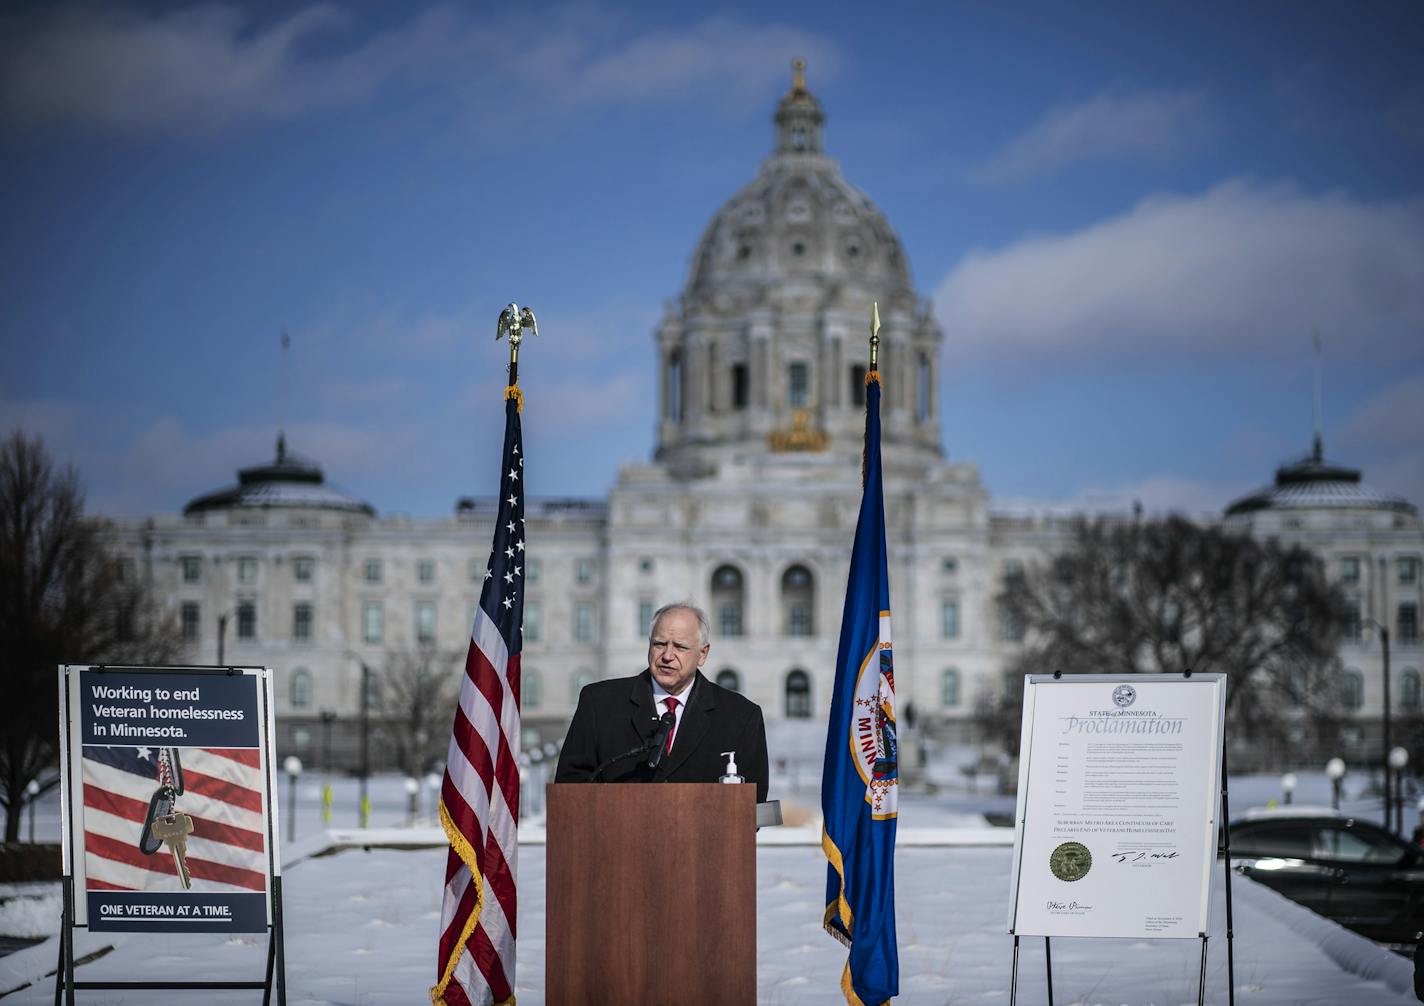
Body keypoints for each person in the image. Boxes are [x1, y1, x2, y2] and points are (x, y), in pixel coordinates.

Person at [554, 602, 769, 802]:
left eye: (680, 647)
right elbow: (570, 788)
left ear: (702, 654)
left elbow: (752, 805)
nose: (667, 656)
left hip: (701, 842)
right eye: (659, 644)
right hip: (618, 839)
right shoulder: (598, 703)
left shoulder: (741, 716)